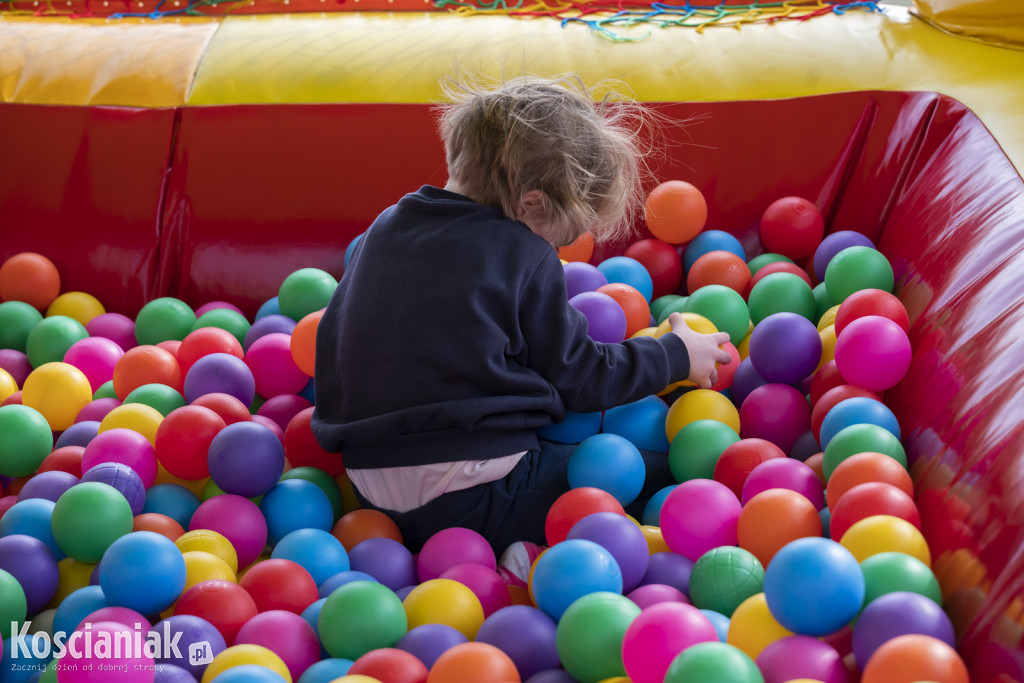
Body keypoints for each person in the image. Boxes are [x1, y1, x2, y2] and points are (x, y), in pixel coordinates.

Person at [312, 73, 731, 554]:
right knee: (659, 472)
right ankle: (520, 558)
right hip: (474, 492)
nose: (557, 248)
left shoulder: (386, 226)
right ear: (532, 204)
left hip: (366, 482)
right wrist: (675, 356)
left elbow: (335, 336)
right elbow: (583, 378)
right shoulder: (520, 252)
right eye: (561, 235)